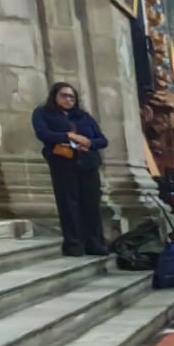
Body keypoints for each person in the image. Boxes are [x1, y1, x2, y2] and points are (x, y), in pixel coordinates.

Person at [31, 82, 109, 257]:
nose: (68, 99)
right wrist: (69, 136)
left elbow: (102, 140)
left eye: (71, 96)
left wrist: (88, 143)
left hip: (88, 164)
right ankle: (74, 244)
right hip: (63, 164)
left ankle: (94, 243)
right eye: (64, 95)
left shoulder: (84, 117)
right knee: (68, 204)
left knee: (91, 205)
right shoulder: (43, 113)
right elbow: (43, 134)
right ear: (55, 96)